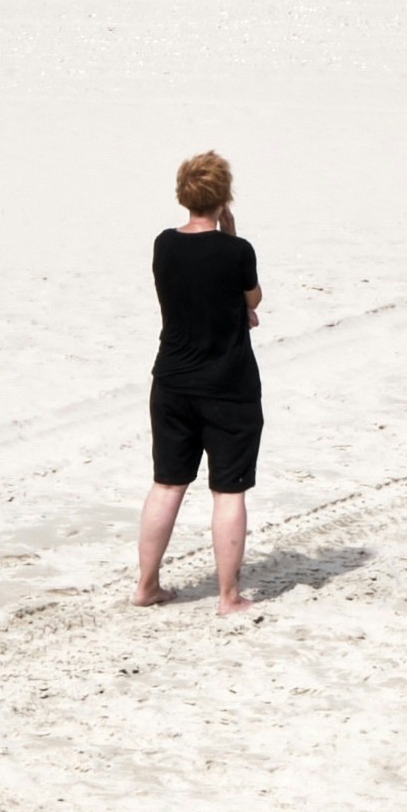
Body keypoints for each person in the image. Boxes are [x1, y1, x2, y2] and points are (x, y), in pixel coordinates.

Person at [135, 150, 265, 613]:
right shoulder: (237, 251)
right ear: (224, 198)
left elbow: (199, 293)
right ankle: (228, 596)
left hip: (171, 382)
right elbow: (253, 296)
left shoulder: (163, 245)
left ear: (183, 195)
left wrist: (238, 308)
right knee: (228, 490)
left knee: (167, 484)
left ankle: (146, 585)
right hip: (227, 386)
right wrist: (230, 239)